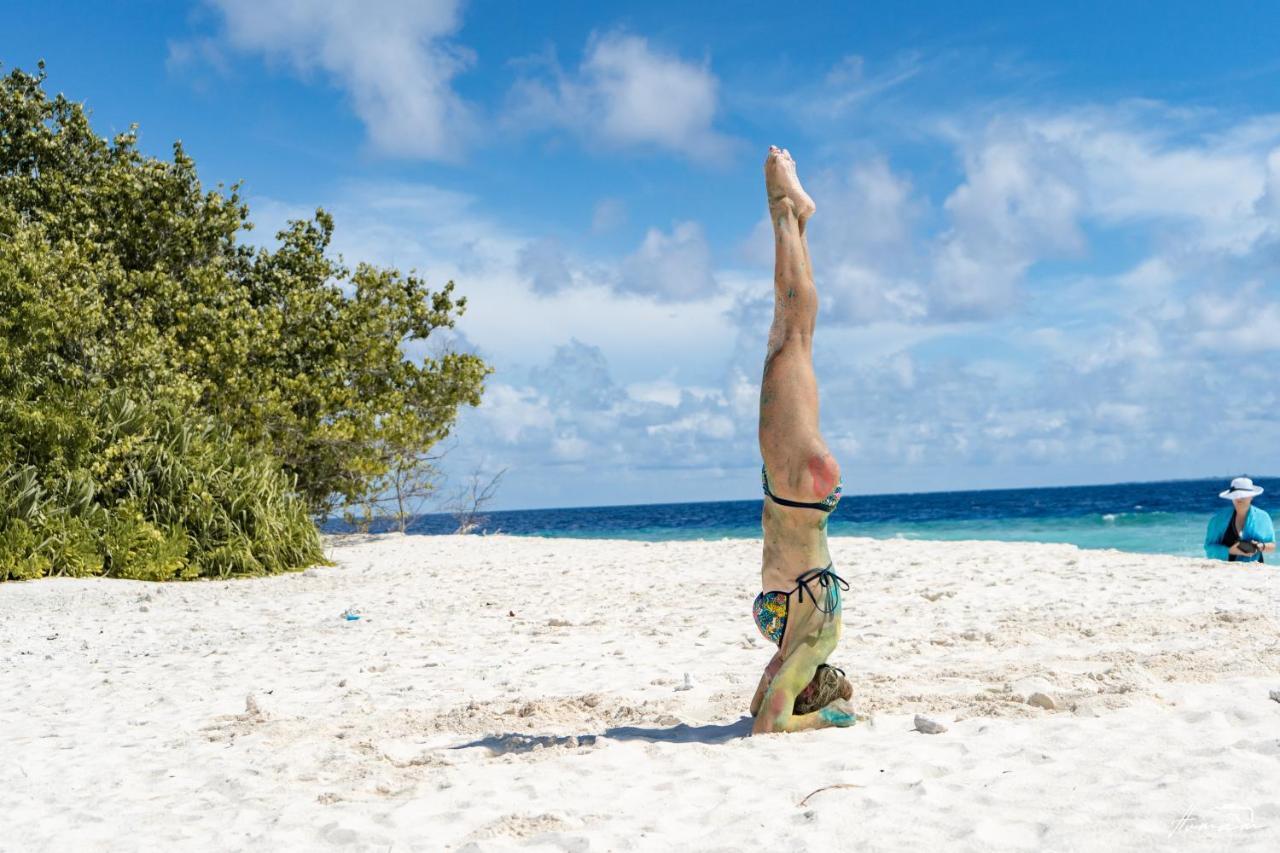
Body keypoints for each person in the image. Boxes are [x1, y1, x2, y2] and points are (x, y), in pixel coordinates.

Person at [747, 147, 858, 734]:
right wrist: (830, 719)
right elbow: (764, 726)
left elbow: (758, 702)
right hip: (795, 490)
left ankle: (799, 217)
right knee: (789, 330)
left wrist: (785, 679)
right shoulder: (817, 642)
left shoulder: (795, 648)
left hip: (800, 494)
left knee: (796, 340)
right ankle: (781, 209)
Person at [1204, 477, 1275, 562]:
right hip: (1225, 570)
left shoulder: (1262, 517)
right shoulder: (1218, 520)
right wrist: (1230, 550)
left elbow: (1272, 546)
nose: (1239, 498)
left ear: (1252, 496)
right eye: (1236, 495)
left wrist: (1259, 546)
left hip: (1255, 569)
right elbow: (1208, 547)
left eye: (1243, 495)